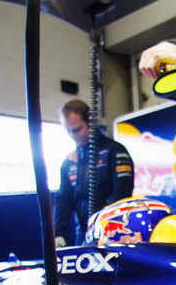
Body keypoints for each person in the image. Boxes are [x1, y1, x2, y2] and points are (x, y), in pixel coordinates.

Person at [54, 100, 133, 247]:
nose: (72, 135)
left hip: (110, 232)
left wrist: (103, 224)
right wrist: (59, 233)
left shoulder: (115, 151)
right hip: (82, 233)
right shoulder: (69, 161)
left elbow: (122, 192)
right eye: (68, 131)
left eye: (77, 129)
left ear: (90, 123)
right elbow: (63, 199)